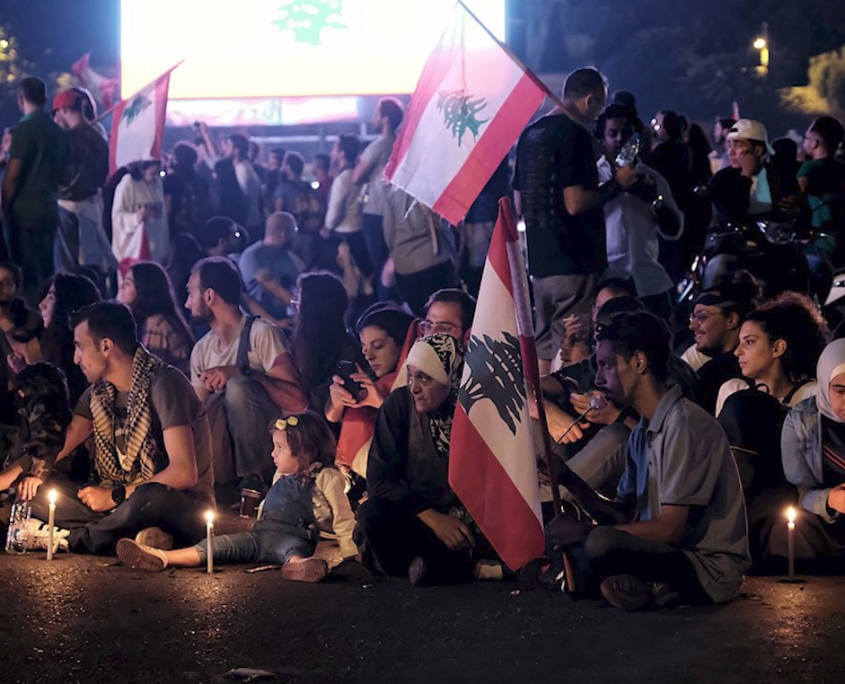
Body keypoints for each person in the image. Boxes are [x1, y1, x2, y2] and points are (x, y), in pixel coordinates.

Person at [548, 311, 750, 610]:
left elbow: (670, 530)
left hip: (705, 567)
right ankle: (638, 586)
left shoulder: (684, 424)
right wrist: (568, 480)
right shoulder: (643, 430)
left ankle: (641, 585)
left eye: (606, 365)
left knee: (598, 543)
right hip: (665, 550)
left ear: (639, 362)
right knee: (565, 535)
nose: (599, 379)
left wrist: (588, 534)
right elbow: (625, 517)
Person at [19, 302, 214, 555]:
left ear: (106, 346)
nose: (76, 358)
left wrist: (114, 496)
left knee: (151, 497)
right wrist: (33, 473)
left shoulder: (164, 383)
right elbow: (59, 446)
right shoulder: (96, 395)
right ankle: (134, 536)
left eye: (80, 347)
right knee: (37, 492)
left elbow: (184, 473)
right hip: (120, 503)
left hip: (179, 506)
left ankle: (74, 539)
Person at [116, 412, 357, 582]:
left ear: (305, 450)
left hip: (292, 537)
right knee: (219, 545)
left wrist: (351, 556)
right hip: (260, 534)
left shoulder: (325, 476)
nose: (273, 454)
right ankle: (162, 557)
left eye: (280, 448)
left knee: (292, 551)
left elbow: (343, 517)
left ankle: (298, 567)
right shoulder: (281, 475)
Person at [513, 68, 636, 374]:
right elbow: (575, 202)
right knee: (573, 344)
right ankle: (569, 398)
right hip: (574, 260)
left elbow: (519, 202)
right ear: (589, 100)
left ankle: (541, 400)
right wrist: (617, 184)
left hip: (539, 261)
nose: (598, 115)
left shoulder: (530, 134)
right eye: (599, 106)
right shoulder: (574, 135)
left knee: (544, 346)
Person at [356, 334, 491, 585]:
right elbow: (379, 482)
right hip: (417, 515)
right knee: (372, 514)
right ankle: (462, 568)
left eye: (425, 378)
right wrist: (431, 516)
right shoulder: (400, 404)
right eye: (411, 376)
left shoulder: (476, 407)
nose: (414, 387)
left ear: (451, 378)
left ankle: (440, 566)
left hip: (468, 520)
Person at [188, 257, 306, 493]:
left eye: (191, 293)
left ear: (209, 296)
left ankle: (252, 480)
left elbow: (298, 403)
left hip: (271, 455)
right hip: (223, 457)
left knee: (238, 386)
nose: (186, 303)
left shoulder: (262, 334)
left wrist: (245, 372)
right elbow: (197, 414)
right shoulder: (201, 350)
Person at [595, 105, 682, 321]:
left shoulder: (652, 178)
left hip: (649, 279)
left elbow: (674, 230)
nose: (619, 139)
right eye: (613, 133)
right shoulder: (593, 178)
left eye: (625, 134)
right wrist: (614, 187)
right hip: (608, 280)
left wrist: (654, 199)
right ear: (602, 139)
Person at [1, 77, 71, 301]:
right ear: (45, 99)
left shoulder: (24, 129)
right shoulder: (58, 132)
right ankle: (47, 313)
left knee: (25, 274)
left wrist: (4, 205)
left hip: (24, 211)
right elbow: (65, 175)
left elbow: (13, 175)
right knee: (47, 272)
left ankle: (30, 316)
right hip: (49, 208)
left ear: (21, 99)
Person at [326, 303, 415, 474]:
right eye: (365, 348)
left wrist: (382, 404)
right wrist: (336, 405)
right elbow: (331, 418)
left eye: (378, 346)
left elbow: (418, 435)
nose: (370, 356)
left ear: (402, 342)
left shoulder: (419, 380)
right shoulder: (366, 380)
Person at [780, 339, 845, 568]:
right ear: (825, 384)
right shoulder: (800, 420)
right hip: (824, 523)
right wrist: (830, 500)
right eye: (840, 390)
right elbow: (800, 491)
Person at [715, 293, 826, 416]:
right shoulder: (732, 391)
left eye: (749, 342)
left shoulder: (810, 395)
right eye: (739, 342)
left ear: (777, 348)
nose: (737, 352)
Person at [52, 88, 114, 281]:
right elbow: (103, 173)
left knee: (68, 269)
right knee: (93, 264)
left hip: (67, 208)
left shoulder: (65, 139)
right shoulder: (99, 137)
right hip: (92, 206)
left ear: (63, 110)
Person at [290, 271, 365, 413]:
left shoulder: (348, 352)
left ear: (312, 312)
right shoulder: (300, 344)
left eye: (299, 305)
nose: (296, 311)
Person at [353, 97, 404, 297]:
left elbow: (356, 177)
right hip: (396, 212)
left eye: (376, 114)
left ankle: (384, 305)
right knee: (393, 264)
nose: (372, 118)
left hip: (375, 212)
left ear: (385, 119)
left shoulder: (379, 144)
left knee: (380, 266)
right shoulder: (401, 144)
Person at [383, 185, 459, 315]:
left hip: (405, 265)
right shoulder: (433, 184)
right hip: (435, 258)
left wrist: (396, 253)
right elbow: (447, 225)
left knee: (420, 316)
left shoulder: (392, 188)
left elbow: (388, 231)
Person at [0, 362, 71, 493]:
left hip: (52, 484)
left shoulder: (45, 406)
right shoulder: (32, 414)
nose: (19, 393)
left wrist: (36, 474)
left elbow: (46, 441)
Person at [35, 272, 102, 405]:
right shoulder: (52, 344)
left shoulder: (79, 354)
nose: (42, 304)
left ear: (68, 303)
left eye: (51, 297)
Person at [118, 262, 194, 375]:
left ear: (144, 289)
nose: (121, 287)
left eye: (128, 283)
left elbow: (148, 373)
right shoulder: (153, 319)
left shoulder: (156, 323)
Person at [239, 212, 304, 321]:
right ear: (283, 233)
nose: (297, 235)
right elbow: (274, 287)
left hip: (282, 318)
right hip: (258, 322)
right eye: (295, 230)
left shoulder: (287, 256)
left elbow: (300, 283)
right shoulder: (253, 255)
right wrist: (302, 309)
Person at [324, 133, 371, 278]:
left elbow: (335, 209)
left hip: (344, 234)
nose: (331, 152)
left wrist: (327, 228)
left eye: (334, 148)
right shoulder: (360, 175)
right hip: (360, 231)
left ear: (342, 153)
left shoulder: (343, 179)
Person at [111, 159, 170, 268]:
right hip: (131, 252)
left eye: (159, 173)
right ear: (142, 170)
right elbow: (117, 217)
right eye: (152, 174)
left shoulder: (158, 184)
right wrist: (136, 217)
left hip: (155, 253)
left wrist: (165, 248)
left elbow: (162, 221)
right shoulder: (128, 183)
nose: (156, 178)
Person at [163, 141, 213, 239]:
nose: (170, 157)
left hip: (176, 231)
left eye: (173, 154)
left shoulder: (171, 180)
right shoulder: (201, 181)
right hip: (199, 231)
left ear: (176, 158)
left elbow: (167, 208)